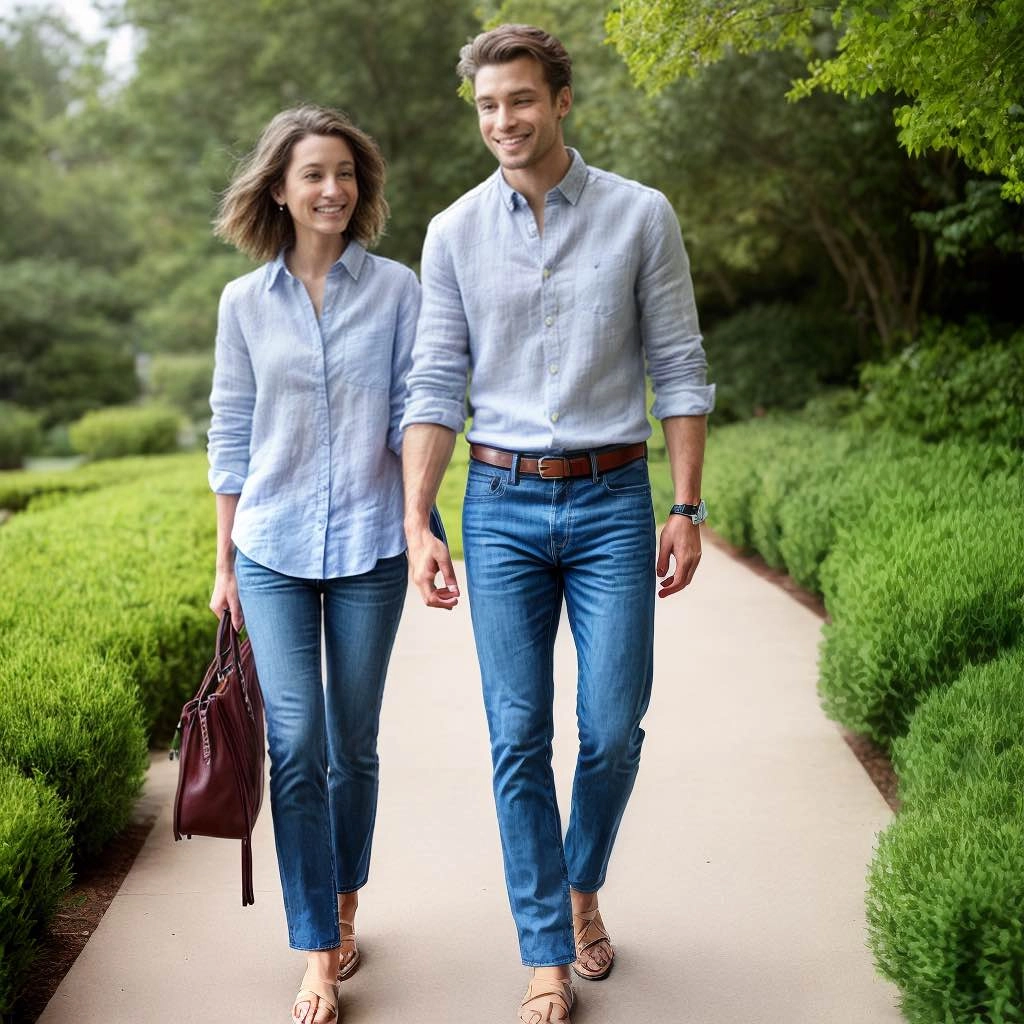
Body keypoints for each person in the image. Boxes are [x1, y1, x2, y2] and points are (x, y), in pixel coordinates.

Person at [400, 24, 715, 1024]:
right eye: (488, 106)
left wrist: (687, 504)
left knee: (612, 728)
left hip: (615, 501)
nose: (503, 121)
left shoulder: (640, 215)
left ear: (562, 100)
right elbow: (436, 381)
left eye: (521, 100)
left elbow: (680, 361)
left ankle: (581, 882)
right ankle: (546, 949)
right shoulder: (452, 233)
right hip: (496, 507)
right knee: (516, 735)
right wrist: (421, 519)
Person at [207, 105, 419, 1024]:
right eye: (313, 175)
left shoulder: (400, 291)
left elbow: (419, 411)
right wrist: (223, 561)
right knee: (295, 743)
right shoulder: (243, 304)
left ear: (360, 186)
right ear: (281, 191)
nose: (332, 189)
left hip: (374, 542)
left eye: (345, 173)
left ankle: (345, 892)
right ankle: (317, 952)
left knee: (352, 744)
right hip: (274, 548)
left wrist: (426, 520)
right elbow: (231, 434)